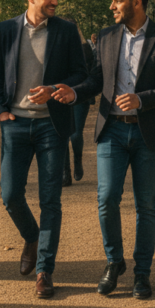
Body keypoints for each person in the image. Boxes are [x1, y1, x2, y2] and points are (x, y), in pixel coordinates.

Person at [54, 0, 155, 300]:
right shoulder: (108, 37)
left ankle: (142, 273)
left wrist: (143, 99)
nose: (111, 6)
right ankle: (114, 262)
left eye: (117, 1)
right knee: (107, 198)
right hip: (111, 129)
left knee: (146, 206)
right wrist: (74, 92)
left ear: (137, 3)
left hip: (146, 131)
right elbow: (96, 79)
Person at [0, 0, 87, 298]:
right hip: (15, 123)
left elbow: (80, 75)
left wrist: (57, 88)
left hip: (51, 124)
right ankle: (32, 237)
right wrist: (1, 111)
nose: (55, 1)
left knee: (51, 201)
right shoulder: (5, 29)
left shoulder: (67, 31)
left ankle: (45, 270)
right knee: (10, 195)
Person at [64, 22, 96, 187]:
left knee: (75, 134)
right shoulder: (56, 47)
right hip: (60, 95)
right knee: (62, 134)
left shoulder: (85, 49)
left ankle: (78, 159)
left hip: (79, 96)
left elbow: (91, 73)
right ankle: (65, 174)